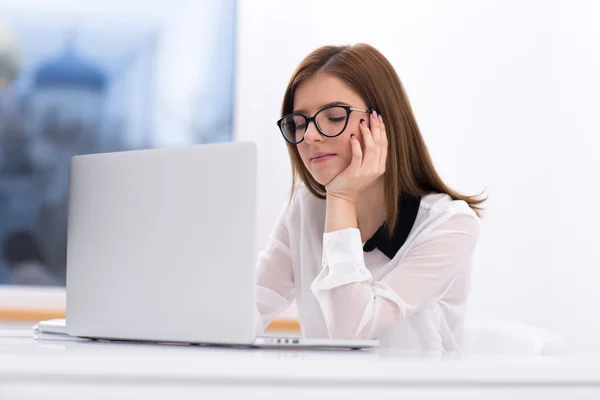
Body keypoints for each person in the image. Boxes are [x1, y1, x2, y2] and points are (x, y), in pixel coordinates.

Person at [255, 43, 486, 351]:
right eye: (298, 123)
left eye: (334, 117)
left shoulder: (450, 225)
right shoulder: (305, 208)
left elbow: (352, 331)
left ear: (383, 123)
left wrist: (341, 198)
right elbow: (250, 304)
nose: (310, 136)